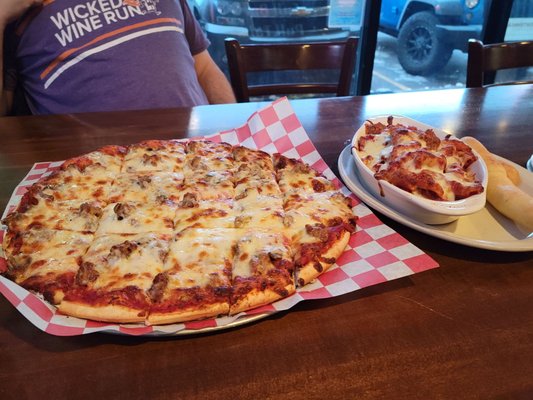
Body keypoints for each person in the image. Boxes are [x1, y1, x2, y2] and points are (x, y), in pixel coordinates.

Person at [0, 0, 236, 116]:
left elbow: (204, 68)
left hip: (201, 157)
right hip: (91, 178)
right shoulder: (20, 8)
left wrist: (235, 128)